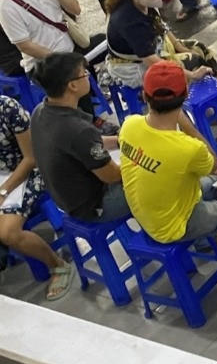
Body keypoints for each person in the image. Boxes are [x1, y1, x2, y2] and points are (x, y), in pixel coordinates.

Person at [119, 61, 217, 247]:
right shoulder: (188, 148)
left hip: (147, 218)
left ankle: (205, 236)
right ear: (184, 96)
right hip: (175, 226)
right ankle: (212, 235)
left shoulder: (129, 125)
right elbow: (214, 163)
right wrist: (184, 121)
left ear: (144, 95)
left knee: (215, 180)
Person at [29, 52, 126, 222]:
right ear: (73, 86)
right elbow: (113, 176)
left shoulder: (41, 111)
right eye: (85, 74)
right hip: (94, 205)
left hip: (66, 199)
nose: (88, 77)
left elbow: (84, 146)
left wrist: (120, 141)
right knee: (157, 174)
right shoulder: (77, 129)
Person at [0, 94, 75, 300]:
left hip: (27, 174)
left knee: (8, 233)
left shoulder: (7, 107)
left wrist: (4, 190)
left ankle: (58, 265)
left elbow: (31, 159)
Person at [103, 0, 217, 87]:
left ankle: (215, 88)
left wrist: (179, 47)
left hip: (153, 49)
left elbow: (161, 25)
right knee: (192, 61)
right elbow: (151, 61)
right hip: (134, 67)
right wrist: (193, 75)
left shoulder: (144, 3)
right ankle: (194, 96)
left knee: (199, 49)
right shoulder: (129, 20)